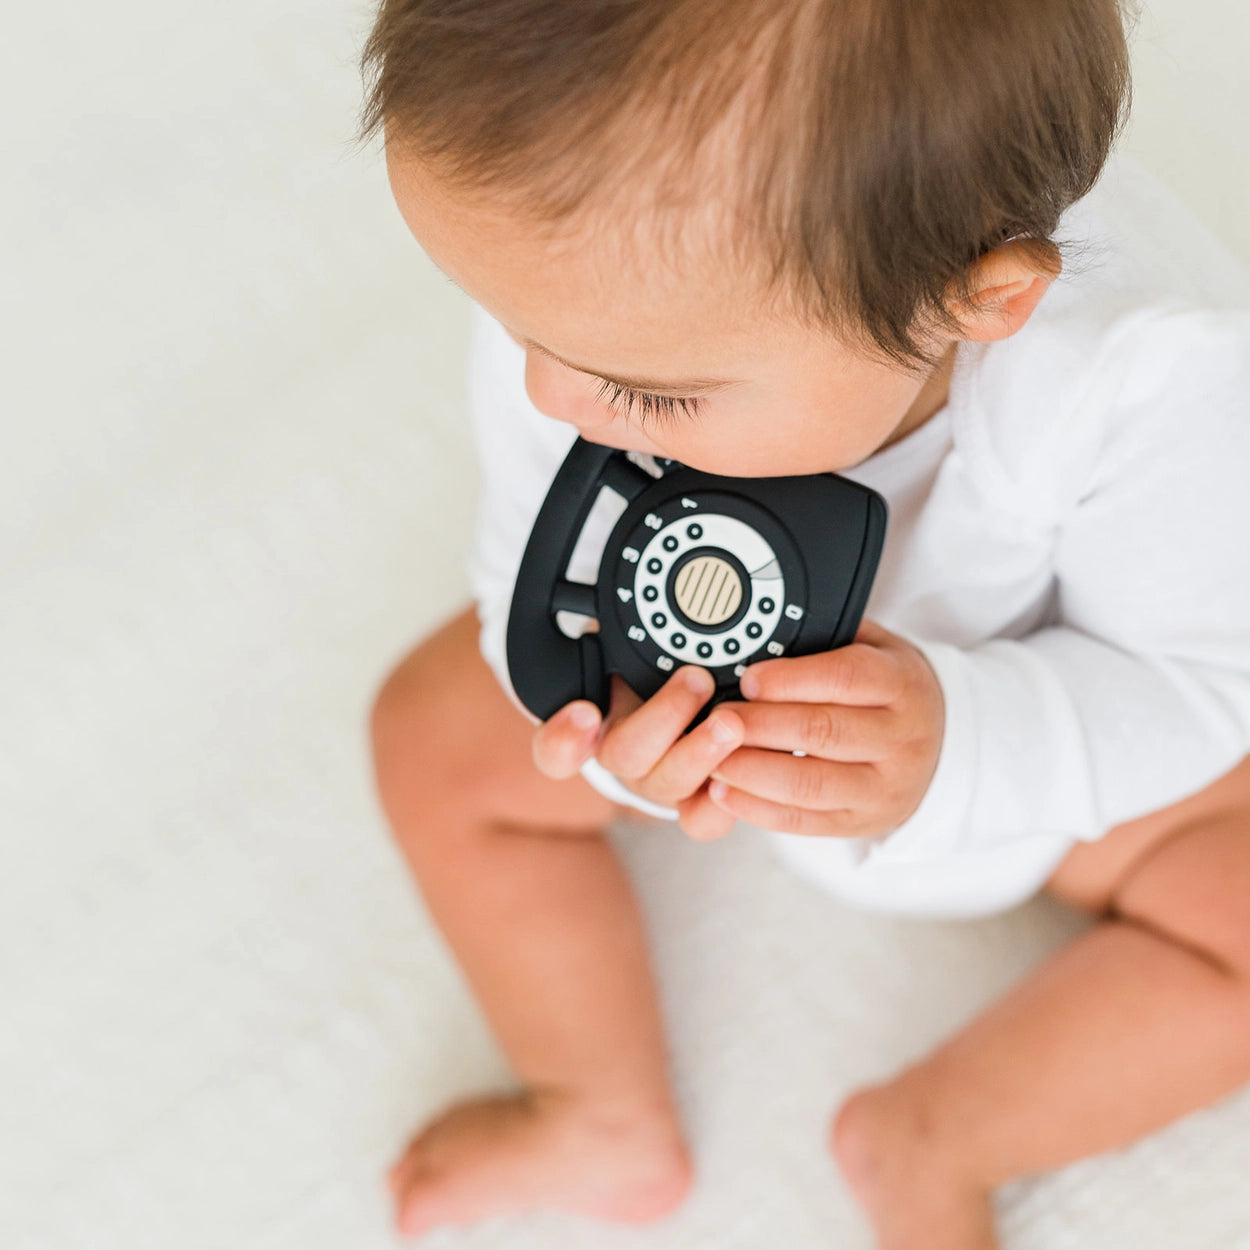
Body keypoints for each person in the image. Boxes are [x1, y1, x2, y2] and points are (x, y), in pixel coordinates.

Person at [359, 2, 1250, 1245]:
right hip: (693, 698)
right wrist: (592, 702)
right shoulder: (587, 285)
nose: (548, 398)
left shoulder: (1152, 383)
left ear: (971, 304)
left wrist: (962, 747)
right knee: (428, 737)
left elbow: (1197, 681)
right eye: (512, 327)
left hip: (1028, 736)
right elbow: (531, 536)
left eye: (641, 390)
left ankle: (940, 1134)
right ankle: (597, 1108)